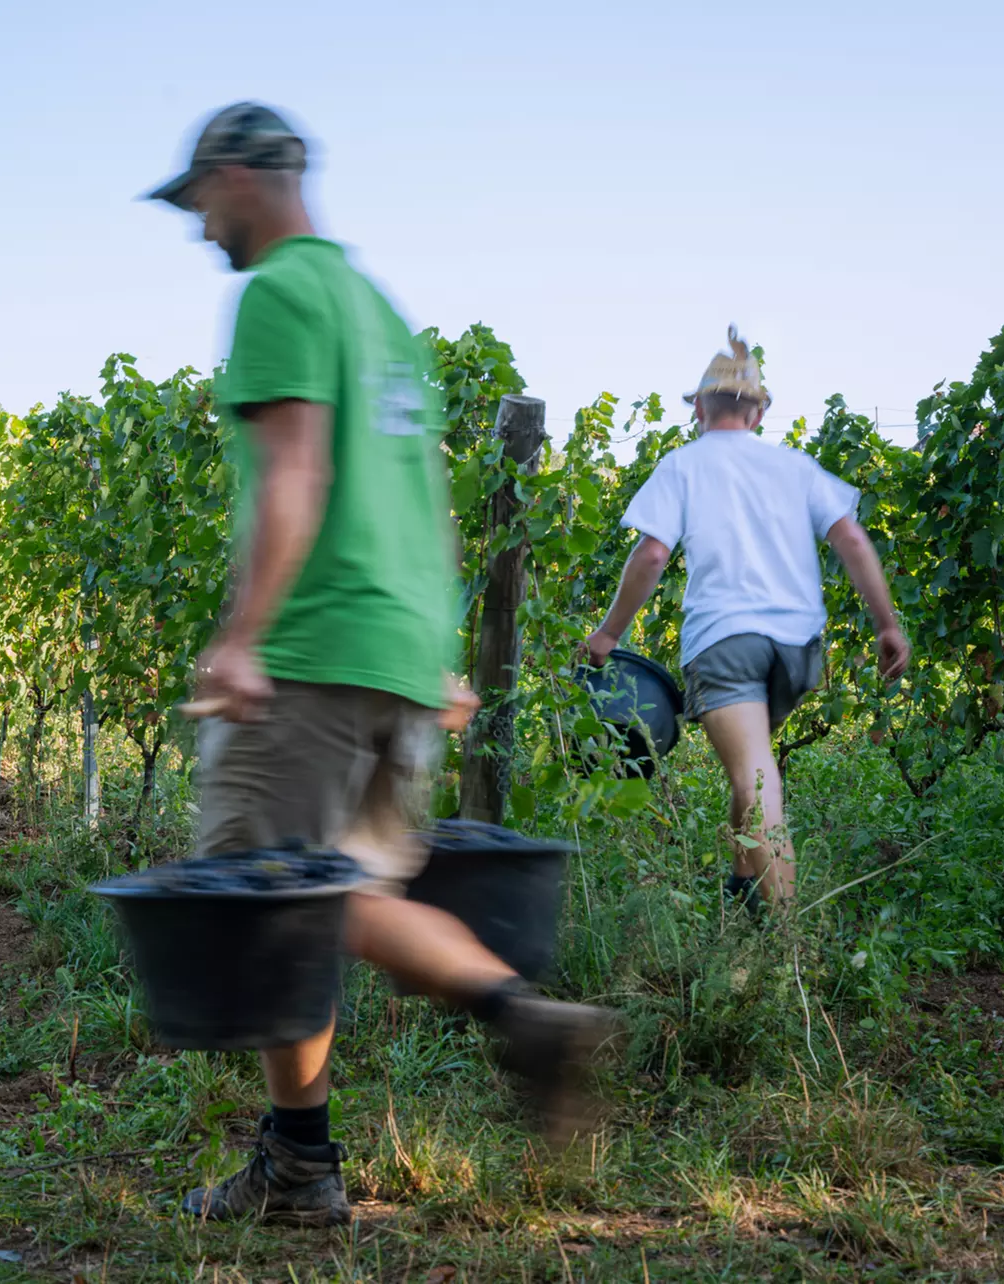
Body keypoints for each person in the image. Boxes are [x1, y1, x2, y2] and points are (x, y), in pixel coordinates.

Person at [147, 102, 619, 1227]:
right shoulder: (379, 310)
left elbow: (295, 476)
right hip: (394, 648)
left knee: (271, 894)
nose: (197, 228)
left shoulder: (278, 294)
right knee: (330, 883)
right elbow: (416, 494)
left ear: (240, 176)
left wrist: (246, 635)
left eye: (200, 199)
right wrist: (434, 655)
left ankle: (509, 1019)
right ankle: (301, 1165)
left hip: (313, 646)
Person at [585, 328, 909, 911]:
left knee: (756, 782)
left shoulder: (684, 466)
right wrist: (887, 623)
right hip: (798, 648)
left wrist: (609, 633)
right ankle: (742, 909)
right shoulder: (796, 467)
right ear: (758, 412)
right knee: (750, 769)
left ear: (698, 408)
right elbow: (852, 540)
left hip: (724, 642)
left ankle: (788, 949)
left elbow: (653, 553)